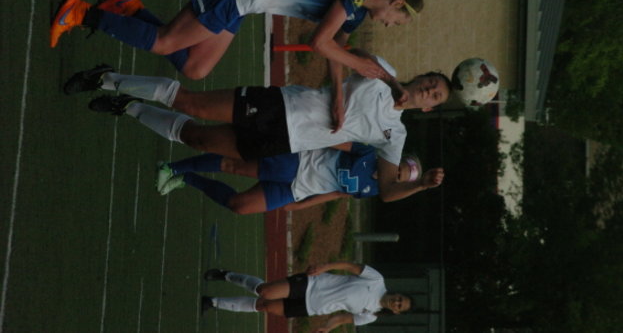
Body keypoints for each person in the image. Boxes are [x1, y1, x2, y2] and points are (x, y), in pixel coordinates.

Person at [64, 53, 451, 197]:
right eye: (433, 82)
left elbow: (387, 190)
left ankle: (129, 107)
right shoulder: (383, 72)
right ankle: (106, 78)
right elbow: (338, 50)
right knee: (191, 102)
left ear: (428, 109)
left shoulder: (395, 134)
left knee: (197, 138)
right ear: (423, 76)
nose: (430, 90)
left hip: (286, 142)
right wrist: (337, 94)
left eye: (435, 96)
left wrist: (419, 185)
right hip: (281, 106)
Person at [50, 0, 422, 84]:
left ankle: (128, 8)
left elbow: (336, 47)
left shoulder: (356, 10)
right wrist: (361, 65)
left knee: (196, 68)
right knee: (165, 43)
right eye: (397, 20)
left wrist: (340, 97)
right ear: (396, 2)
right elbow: (320, 44)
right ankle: (80, 12)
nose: (390, 25)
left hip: (246, 2)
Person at [154, 145, 443, 213]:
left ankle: (188, 178)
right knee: (235, 166)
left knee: (239, 205)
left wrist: (302, 205)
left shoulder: (371, 190)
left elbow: (337, 193)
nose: (396, 176)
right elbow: (333, 139)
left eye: (400, 179)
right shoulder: (368, 152)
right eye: (399, 170)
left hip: (297, 190)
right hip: (297, 163)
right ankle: (173, 167)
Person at [200, 262, 412, 331]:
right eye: (400, 299)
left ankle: (213, 302)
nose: (397, 302)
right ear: (398, 294)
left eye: (399, 306)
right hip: (312, 284)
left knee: (264, 306)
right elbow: (349, 266)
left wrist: (327, 328)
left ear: (395, 311)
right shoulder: (377, 280)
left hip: (311, 308)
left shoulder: (371, 315)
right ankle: (226, 275)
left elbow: (342, 318)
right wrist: (324, 268)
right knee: (265, 291)